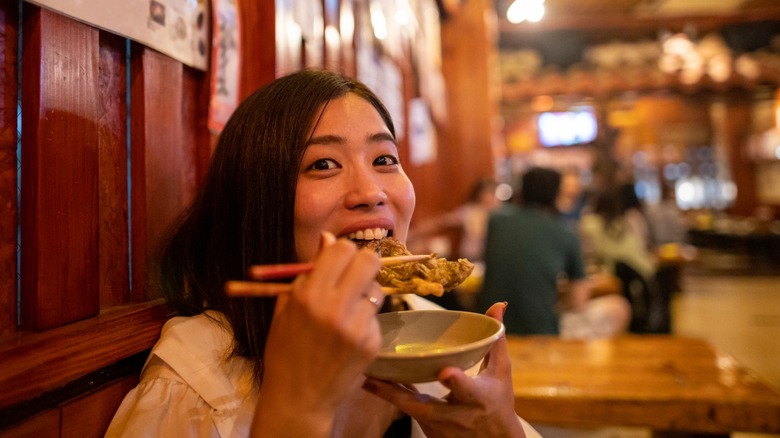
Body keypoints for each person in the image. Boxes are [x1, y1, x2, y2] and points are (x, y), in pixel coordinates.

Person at [106, 69, 538, 437]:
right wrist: (295, 410)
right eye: (323, 165)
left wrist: (504, 431)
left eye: (385, 159)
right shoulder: (193, 377)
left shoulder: (438, 340)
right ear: (258, 200)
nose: (371, 192)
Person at [478, 167, 630, 339]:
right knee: (619, 307)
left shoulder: (496, 221)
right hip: (542, 332)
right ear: (556, 195)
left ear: (522, 191)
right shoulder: (566, 233)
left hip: (490, 327)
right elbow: (578, 301)